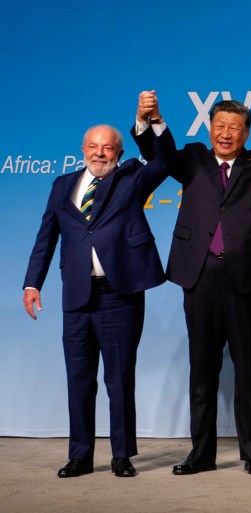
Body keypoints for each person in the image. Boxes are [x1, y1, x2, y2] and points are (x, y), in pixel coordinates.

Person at [132, 100, 251, 476]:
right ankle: (201, 454)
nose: (225, 134)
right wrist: (153, 120)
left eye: (234, 127)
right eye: (219, 125)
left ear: (246, 133)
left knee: (249, 372)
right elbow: (158, 155)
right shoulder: (193, 159)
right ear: (209, 127)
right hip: (200, 277)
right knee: (202, 371)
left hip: (248, 279)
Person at [22, 91, 175, 478]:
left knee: (119, 378)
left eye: (108, 148)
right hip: (76, 295)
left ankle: (121, 455)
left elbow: (165, 162)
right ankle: (80, 455)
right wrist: (32, 283)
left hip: (118, 294)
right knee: (78, 379)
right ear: (82, 150)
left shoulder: (132, 178)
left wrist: (152, 121)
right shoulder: (62, 185)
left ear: (119, 153)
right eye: (93, 146)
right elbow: (46, 237)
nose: (100, 153)